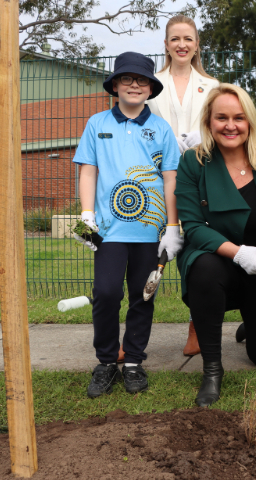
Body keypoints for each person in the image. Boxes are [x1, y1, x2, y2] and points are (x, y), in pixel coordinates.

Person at [175, 83, 256, 407]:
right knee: (204, 269)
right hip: (218, 258)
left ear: (250, 121)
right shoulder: (194, 162)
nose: (230, 125)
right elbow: (192, 226)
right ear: (209, 121)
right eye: (221, 117)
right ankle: (212, 369)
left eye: (239, 117)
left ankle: (253, 322)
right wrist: (238, 253)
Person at [73, 52, 183, 397]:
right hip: (109, 231)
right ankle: (106, 361)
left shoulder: (161, 128)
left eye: (141, 80)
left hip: (149, 232)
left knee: (143, 296)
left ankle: (133, 361)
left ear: (150, 88)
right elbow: (88, 170)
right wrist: (86, 215)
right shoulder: (97, 124)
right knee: (105, 293)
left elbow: (170, 179)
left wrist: (172, 226)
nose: (134, 85)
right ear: (115, 86)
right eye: (127, 79)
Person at [147, 14, 221, 357]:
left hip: (200, 177)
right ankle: (136, 331)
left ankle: (198, 324)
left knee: (196, 251)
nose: (181, 45)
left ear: (196, 45)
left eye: (187, 39)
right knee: (157, 251)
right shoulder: (149, 84)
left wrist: (199, 140)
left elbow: (223, 128)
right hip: (156, 177)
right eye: (175, 39)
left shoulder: (213, 85)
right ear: (166, 44)